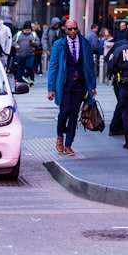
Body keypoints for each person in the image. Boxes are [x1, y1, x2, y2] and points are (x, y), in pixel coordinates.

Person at [47, 20, 97, 156]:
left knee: (74, 114)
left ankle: (68, 144)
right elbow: (53, 66)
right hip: (64, 84)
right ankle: (59, 138)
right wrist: (50, 88)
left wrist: (92, 86)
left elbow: (90, 66)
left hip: (80, 84)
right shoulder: (59, 45)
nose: (73, 31)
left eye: (75, 29)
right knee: (64, 112)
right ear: (65, 30)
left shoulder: (85, 43)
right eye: (70, 29)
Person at [12, 21, 40, 86]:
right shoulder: (18, 34)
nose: (27, 31)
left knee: (29, 66)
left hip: (30, 54)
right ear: (23, 29)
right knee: (20, 68)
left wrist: (34, 43)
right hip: (20, 54)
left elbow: (38, 42)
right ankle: (19, 81)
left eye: (28, 30)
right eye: (25, 30)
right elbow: (13, 41)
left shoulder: (33, 34)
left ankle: (31, 79)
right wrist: (15, 45)